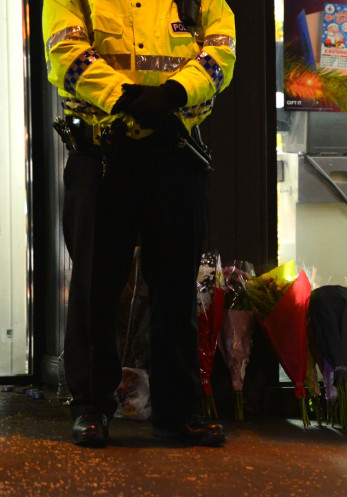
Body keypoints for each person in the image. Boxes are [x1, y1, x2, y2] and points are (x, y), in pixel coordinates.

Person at [42, 0, 236, 447]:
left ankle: (177, 412)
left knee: (175, 289)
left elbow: (221, 54)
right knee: (95, 287)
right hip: (102, 154)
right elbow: (65, 53)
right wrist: (129, 98)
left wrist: (171, 94)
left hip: (176, 153)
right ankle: (91, 409)